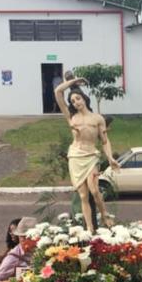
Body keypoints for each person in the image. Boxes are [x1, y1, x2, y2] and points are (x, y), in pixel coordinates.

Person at [54, 73, 120, 233]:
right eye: (73, 101)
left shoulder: (97, 119)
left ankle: (104, 215)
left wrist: (110, 157)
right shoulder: (71, 117)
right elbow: (58, 92)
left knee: (95, 190)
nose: (76, 102)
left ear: (84, 98)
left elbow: (105, 141)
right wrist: (74, 81)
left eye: (78, 99)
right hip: (75, 157)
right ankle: (90, 227)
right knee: (83, 196)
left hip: (91, 157)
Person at [0, 217, 38, 282]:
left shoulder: (47, 250)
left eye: (30, 237)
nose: (25, 240)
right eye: (22, 237)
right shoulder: (14, 257)